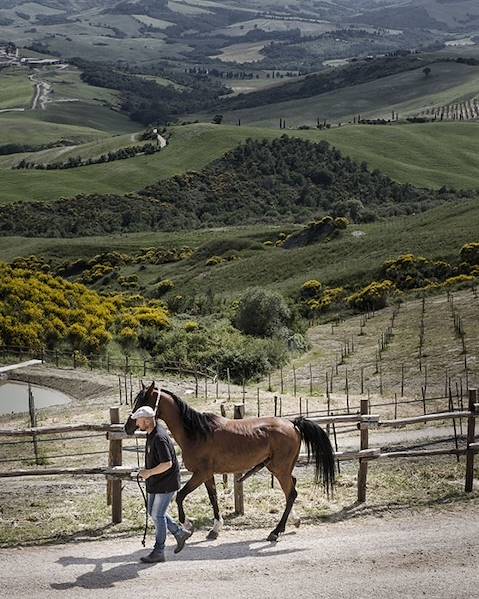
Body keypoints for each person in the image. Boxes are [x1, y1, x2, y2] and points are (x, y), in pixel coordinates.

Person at [131, 405, 192, 563]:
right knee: (153, 512)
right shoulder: (151, 434)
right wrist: (147, 471)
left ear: (147, 421)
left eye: (138, 421)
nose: (137, 424)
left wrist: (149, 472)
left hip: (166, 483)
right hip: (157, 481)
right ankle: (179, 533)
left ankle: (159, 551)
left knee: (158, 515)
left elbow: (167, 463)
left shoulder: (159, 437)